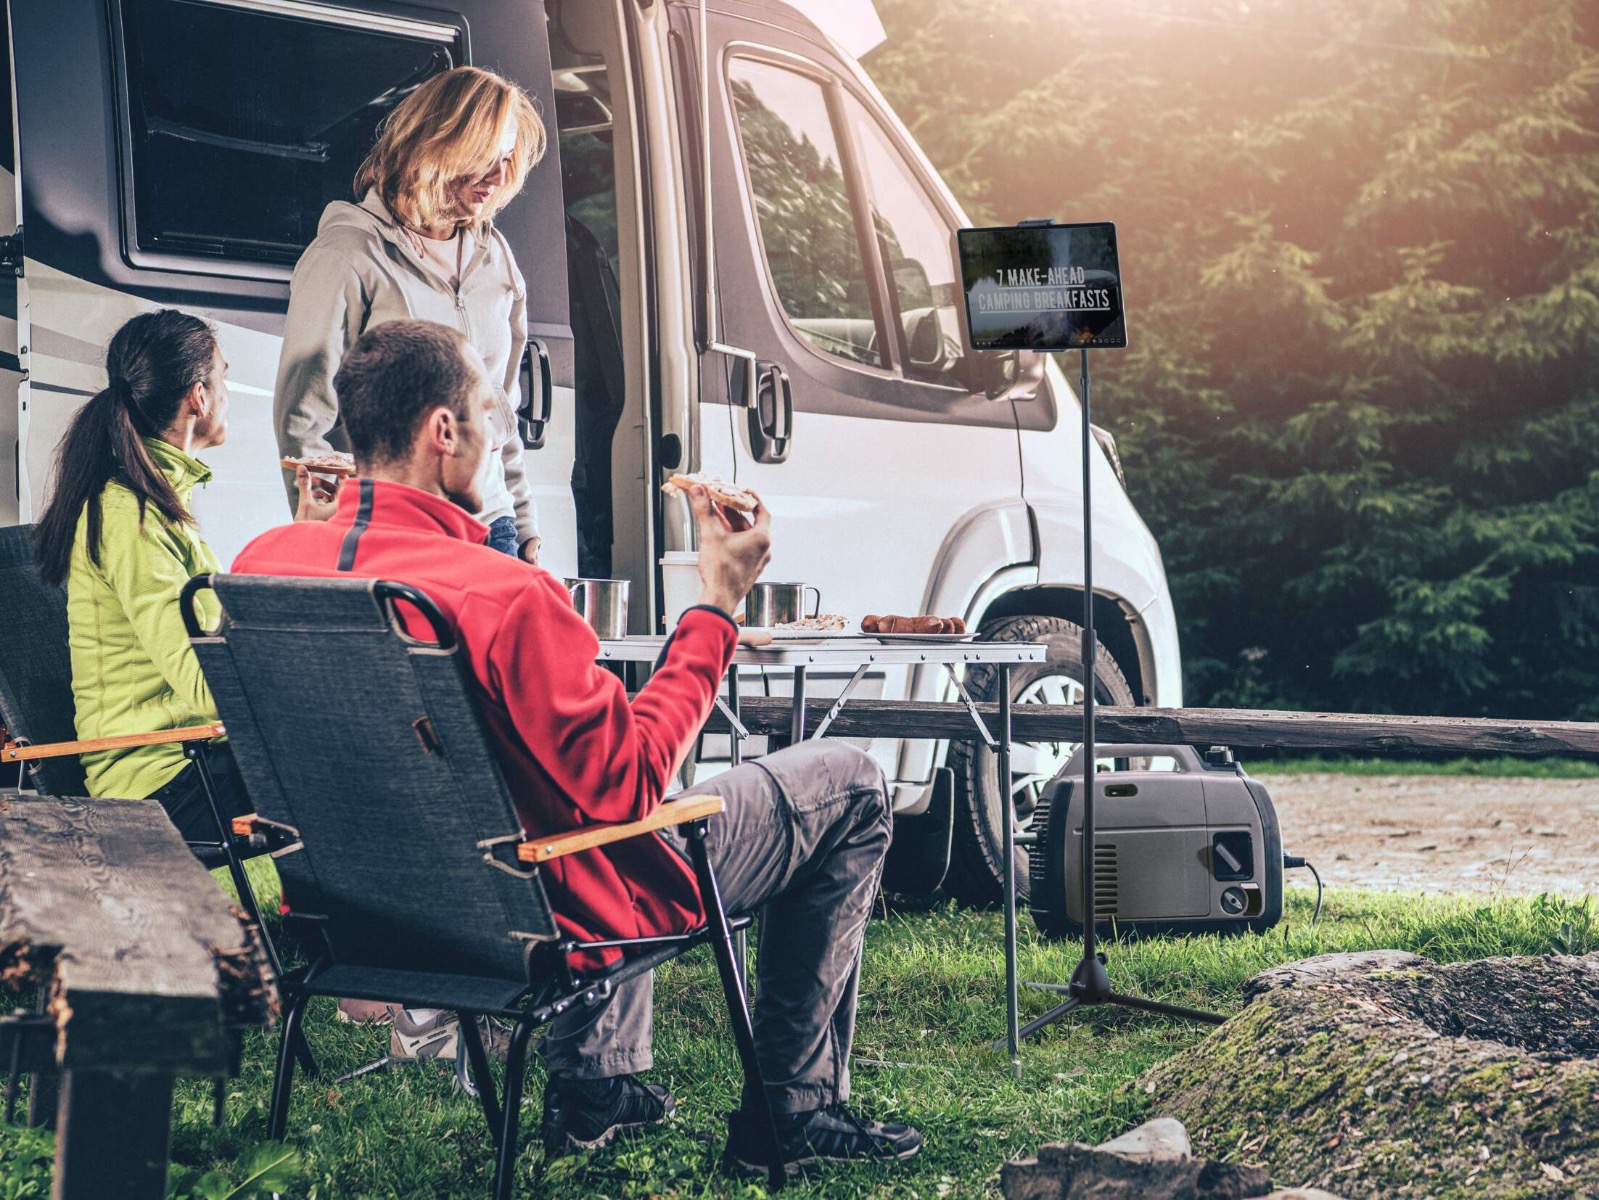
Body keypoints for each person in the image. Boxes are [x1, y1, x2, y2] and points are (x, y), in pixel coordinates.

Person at [233, 319, 923, 1175]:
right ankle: (795, 1108)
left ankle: (600, 1083)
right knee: (850, 781)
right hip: (544, 918)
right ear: (442, 432)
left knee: (559, 784)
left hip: (364, 922)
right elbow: (629, 788)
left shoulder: (262, 565)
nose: (492, 442)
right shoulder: (504, 594)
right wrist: (714, 609)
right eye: (487, 417)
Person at [32, 308, 339, 839]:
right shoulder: (132, 517)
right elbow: (211, 685)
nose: (225, 391)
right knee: (352, 766)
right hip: (161, 782)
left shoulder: (154, 498)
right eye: (222, 375)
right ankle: (322, 920)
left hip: (197, 753)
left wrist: (307, 536)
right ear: (198, 395)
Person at [275, 65, 544, 564]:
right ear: (438, 143)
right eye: (486, 158)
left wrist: (523, 524)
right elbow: (302, 418)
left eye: (507, 159)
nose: (500, 178)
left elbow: (498, 406)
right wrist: (326, 539)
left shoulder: (495, 255)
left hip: (492, 527)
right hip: (394, 529)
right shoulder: (348, 252)